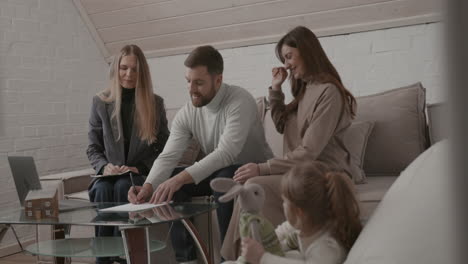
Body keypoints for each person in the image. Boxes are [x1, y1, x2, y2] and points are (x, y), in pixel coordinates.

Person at [222, 25, 359, 259]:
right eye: (284, 59)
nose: (286, 64)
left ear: (306, 51)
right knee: (249, 186)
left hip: (324, 173)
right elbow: (282, 125)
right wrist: (276, 88)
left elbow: (308, 153)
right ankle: (246, 257)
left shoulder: (329, 93)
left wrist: (262, 167)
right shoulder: (306, 90)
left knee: (256, 184)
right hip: (302, 171)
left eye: (288, 57)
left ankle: (246, 258)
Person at [128, 45, 273, 264]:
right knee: (170, 184)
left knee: (220, 179)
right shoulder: (189, 112)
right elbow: (168, 156)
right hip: (219, 170)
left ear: (218, 80)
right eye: (188, 81)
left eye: (199, 82)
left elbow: (226, 153)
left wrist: (180, 178)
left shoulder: (239, 100)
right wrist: (148, 187)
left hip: (252, 169)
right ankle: (187, 259)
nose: (191, 89)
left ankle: (229, 260)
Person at [87, 44, 169, 264]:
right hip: (107, 175)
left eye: (135, 69)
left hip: (136, 175)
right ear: (116, 69)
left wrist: (140, 168)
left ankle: (124, 255)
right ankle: (103, 259)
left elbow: (165, 147)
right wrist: (104, 166)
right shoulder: (100, 102)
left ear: (142, 72)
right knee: (103, 188)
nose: (129, 74)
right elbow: (93, 147)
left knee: (125, 186)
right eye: (124, 68)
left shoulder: (155, 103)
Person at [241, 160, 362, 264]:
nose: (282, 204)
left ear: (299, 212)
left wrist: (262, 258)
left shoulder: (327, 247)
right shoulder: (307, 223)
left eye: (284, 201)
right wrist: (265, 243)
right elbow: (281, 232)